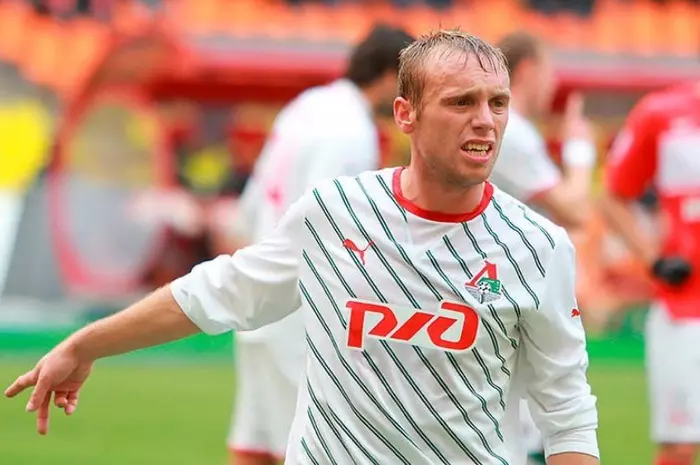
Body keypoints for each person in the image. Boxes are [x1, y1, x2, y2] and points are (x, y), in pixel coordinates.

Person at [4, 29, 600, 465]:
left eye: (498, 103)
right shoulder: (335, 211)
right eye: (461, 102)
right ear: (406, 113)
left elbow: (567, 409)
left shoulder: (538, 246)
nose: (486, 121)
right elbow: (219, 290)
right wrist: (86, 344)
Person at [224, 24, 415, 465]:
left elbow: (252, 203)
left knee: (254, 446)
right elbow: (329, 222)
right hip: (301, 308)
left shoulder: (308, 106)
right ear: (390, 75)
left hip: (259, 294)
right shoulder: (352, 133)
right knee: (318, 449)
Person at [489, 31, 597, 465]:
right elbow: (575, 208)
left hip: (503, 287)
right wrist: (580, 148)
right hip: (507, 292)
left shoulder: (513, 130)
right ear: (529, 70)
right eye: (550, 72)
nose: (554, 84)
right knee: (534, 427)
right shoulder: (512, 130)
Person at [599, 82, 700, 465]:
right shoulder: (661, 113)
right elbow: (612, 198)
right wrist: (653, 259)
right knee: (679, 448)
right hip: (684, 307)